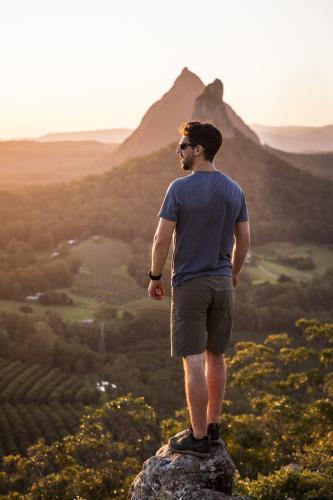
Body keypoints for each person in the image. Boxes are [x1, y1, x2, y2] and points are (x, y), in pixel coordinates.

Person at [148, 121, 250, 457]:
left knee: (193, 358)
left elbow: (162, 237)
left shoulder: (178, 189)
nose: (178, 151)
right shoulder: (234, 189)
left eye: (183, 145)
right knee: (216, 355)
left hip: (191, 284)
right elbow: (244, 239)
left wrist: (155, 276)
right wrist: (232, 273)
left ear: (198, 150)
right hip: (223, 283)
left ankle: (199, 436)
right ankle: (214, 424)